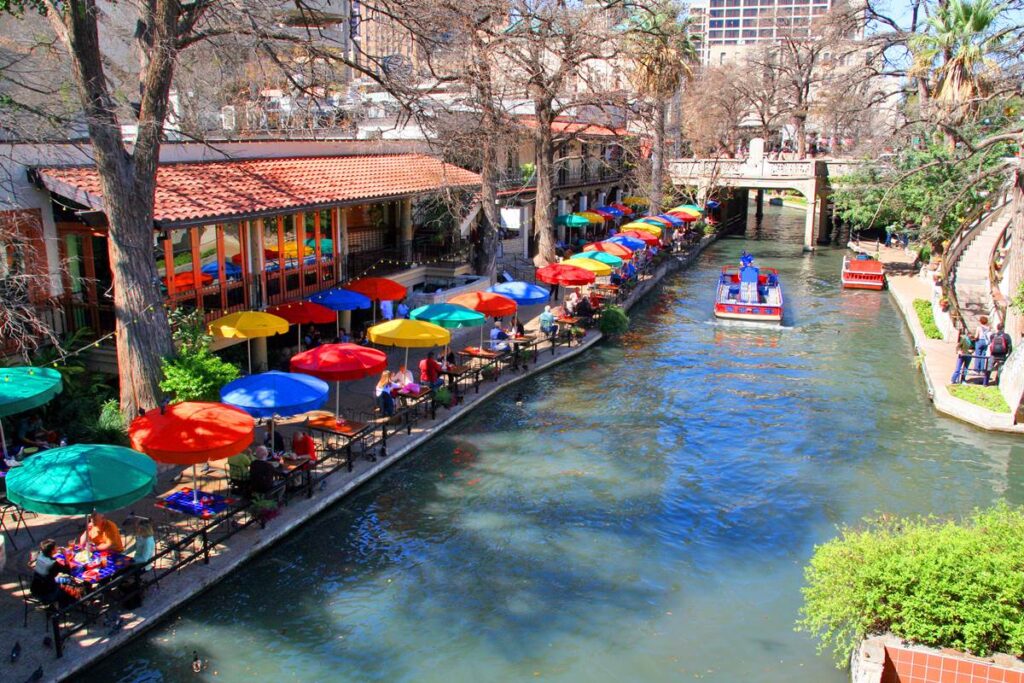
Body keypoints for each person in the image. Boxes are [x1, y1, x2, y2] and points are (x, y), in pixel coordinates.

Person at [30, 540, 75, 607]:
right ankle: (62, 610)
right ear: (52, 551)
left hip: (35, 590)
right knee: (68, 588)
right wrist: (65, 554)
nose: (57, 547)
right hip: (46, 594)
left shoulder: (40, 555)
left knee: (60, 580)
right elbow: (67, 570)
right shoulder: (53, 563)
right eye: (55, 547)